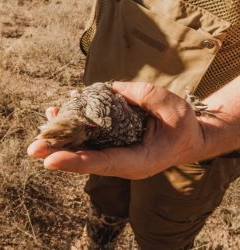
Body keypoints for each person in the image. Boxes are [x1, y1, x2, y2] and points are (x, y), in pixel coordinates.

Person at [28, 0, 240, 249]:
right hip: (109, 82)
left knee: (163, 226)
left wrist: (206, 132)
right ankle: (98, 240)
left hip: (201, 119)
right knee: (106, 191)